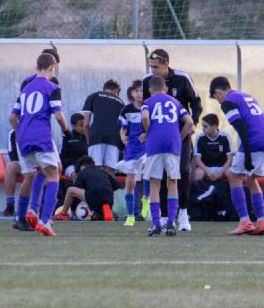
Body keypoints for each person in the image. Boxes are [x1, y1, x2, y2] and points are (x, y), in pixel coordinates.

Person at [142, 48, 202, 232]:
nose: (153, 71)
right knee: (161, 175)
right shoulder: (147, 81)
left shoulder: (183, 78)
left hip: (180, 132)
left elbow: (197, 103)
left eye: (156, 67)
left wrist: (193, 126)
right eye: (151, 67)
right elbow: (146, 108)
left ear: (167, 64)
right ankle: (166, 216)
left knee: (183, 171)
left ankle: (182, 213)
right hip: (160, 134)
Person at [11, 53, 70, 237]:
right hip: (40, 135)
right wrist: (67, 131)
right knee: (54, 174)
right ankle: (45, 221)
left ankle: (31, 211)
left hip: (22, 137)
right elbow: (59, 116)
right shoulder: (52, 87)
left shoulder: (26, 88)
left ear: (37, 66)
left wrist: (21, 132)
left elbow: (12, 117)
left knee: (38, 172)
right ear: (53, 68)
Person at [209, 76, 264, 236]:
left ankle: (245, 221)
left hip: (254, 141)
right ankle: (262, 222)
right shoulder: (245, 96)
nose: (218, 101)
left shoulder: (227, 101)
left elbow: (241, 127)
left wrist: (246, 155)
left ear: (218, 92)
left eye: (216, 97)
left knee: (233, 176)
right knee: (251, 179)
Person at [116, 80, 148, 226]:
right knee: (130, 182)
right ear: (132, 93)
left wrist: (147, 135)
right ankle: (130, 215)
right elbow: (123, 127)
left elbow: (153, 126)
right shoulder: (126, 109)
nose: (139, 94)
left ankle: (146, 200)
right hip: (131, 149)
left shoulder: (149, 107)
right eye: (137, 91)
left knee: (149, 172)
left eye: (142, 90)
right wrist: (122, 136)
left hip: (146, 147)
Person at [53, 156, 120, 221]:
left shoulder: (83, 172)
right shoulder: (103, 172)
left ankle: (63, 215)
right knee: (98, 199)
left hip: (95, 197)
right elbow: (117, 185)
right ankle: (102, 213)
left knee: (70, 190)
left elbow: (75, 189)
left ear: (81, 167)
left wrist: (73, 209)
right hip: (109, 199)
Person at [82, 79, 125, 175]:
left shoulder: (94, 96)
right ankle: (109, 190)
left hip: (96, 136)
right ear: (117, 91)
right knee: (110, 169)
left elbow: (85, 124)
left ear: (104, 88)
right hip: (114, 139)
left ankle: (95, 189)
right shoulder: (121, 102)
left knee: (95, 168)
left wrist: (89, 140)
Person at [193, 113, 234, 183]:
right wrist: (208, 172)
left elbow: (230, 159)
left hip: (222, 168)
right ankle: (199, 193)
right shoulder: (199, 137)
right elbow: (197, 160)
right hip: (206, 168)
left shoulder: (226, 136)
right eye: (202, 126)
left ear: (214, 127)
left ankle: (232, 193)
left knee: (231, 173)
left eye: (205, 126)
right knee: (198, 173)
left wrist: (221, 172)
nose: (202, 129)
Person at [60, 113, 88, 181]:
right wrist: (76, 164)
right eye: (81, 126)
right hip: (71, 166)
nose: (84, 128)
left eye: (84, 125)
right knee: (74, 174)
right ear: (73, 126)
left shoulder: (89, 137)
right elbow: (63, 157)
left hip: (86, 165)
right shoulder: (67, 138)